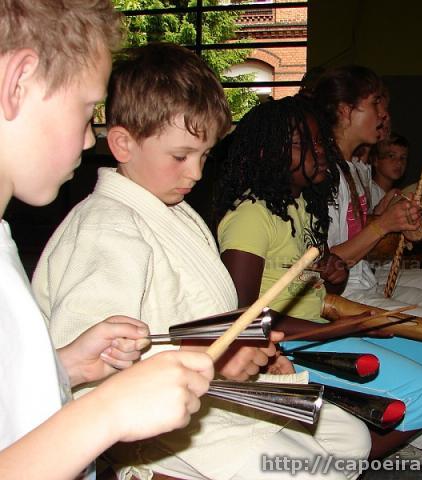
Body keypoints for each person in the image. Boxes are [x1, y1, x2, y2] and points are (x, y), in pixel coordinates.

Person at [31, 44, 371, 480]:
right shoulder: (106, 228)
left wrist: (250, 349)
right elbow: (95, 375)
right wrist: (217, 358)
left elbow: (205, 313)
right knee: (312, 470)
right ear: (122, 144)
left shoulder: (173, 208)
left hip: (210, 391)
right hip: (155, 424)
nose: (195, 173)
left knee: (350, 439)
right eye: (181, 156)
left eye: (205, 156)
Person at [0, 3, 215, 479]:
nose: (86, 140)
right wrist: (108, 411)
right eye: (84, 110)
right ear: (19, 82)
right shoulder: (105, 225)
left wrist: (63, 368)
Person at [216, 95, 422, 461]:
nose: (320, 151)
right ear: (269, 153)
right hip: (283, 348)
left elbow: (319, 282)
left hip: (313, 329)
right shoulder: (250, 216)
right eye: (305, 144)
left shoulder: (303, 205)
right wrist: (342, 328)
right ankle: (342, 463)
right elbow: (239, 317)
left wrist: (334, 275)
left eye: (320, 141)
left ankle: (352, 429)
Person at [309, 65, 422, 458]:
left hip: (361, 283)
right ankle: (409, 433)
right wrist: (384, 226)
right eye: (375, 103)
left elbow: (365, 233)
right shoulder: (324, 173)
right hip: (341, 298)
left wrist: (400, 226)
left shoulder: (351, 169)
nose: (383, 114)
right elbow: (324, 263)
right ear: (346, 111)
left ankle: (403, 414)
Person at [369, 132, 409, 209]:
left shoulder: (397, 197)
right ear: (375, 160)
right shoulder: (369, 192)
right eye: (391, 156)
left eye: (403, 157)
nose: (399, 162)